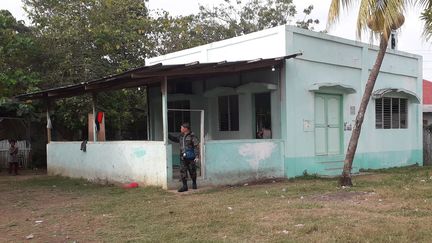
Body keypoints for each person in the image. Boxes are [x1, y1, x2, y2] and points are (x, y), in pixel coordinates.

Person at [168, 122, 200, 192]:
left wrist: (197, 156)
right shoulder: (181, 136)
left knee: (192, 171)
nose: (180, 129)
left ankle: (194, 183)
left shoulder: (192, 136)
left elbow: (196, 146)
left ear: (186, 129)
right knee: (183, 171)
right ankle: (184, 186)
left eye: (182, 128)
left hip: (191, 157)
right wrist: (168, 135)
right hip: (183, 157)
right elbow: (175, 139)